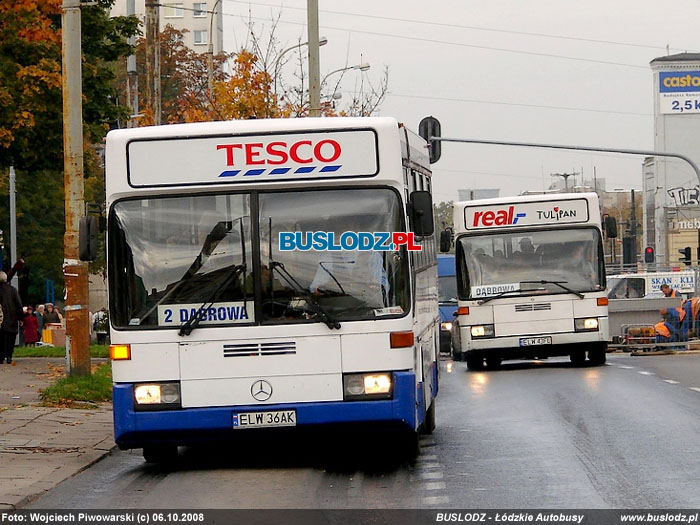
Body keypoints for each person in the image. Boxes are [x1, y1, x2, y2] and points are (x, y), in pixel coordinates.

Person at [0, 271, 23, 364]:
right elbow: (19, 304)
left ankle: (0, 357)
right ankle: (9, 356)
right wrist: (21, 318)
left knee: (1, 340)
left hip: (1, 320)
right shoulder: (12, 290)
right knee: (10, 339)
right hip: (12, 320)